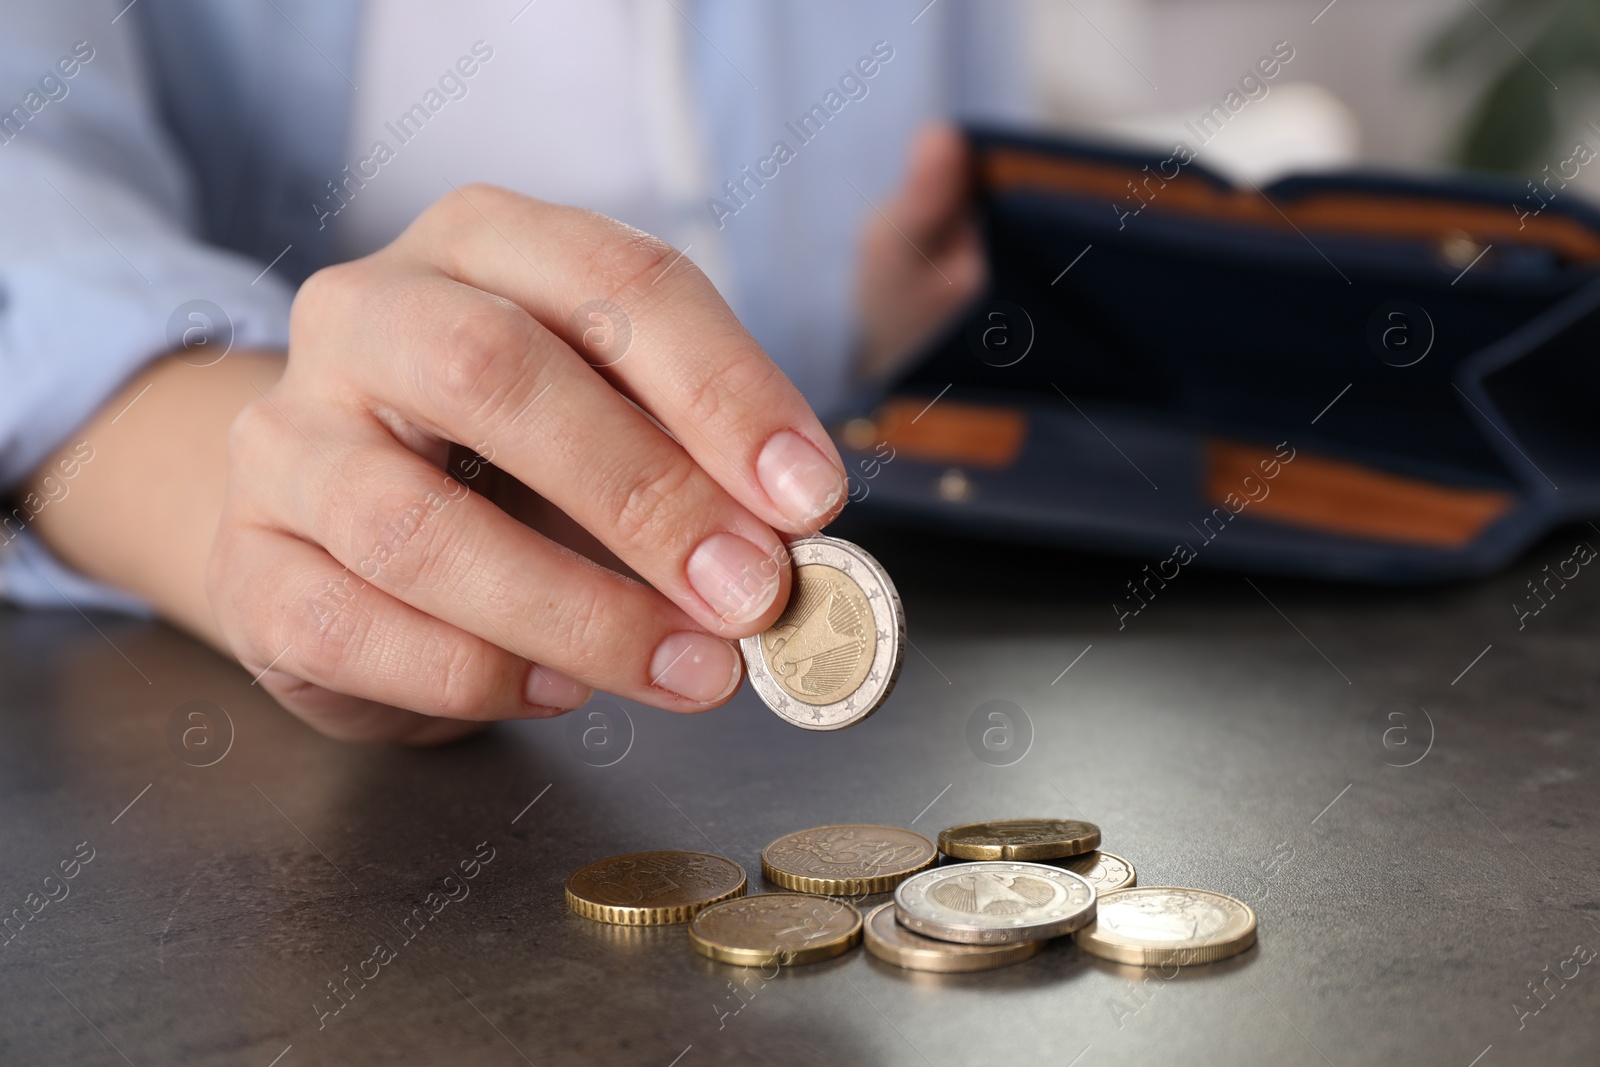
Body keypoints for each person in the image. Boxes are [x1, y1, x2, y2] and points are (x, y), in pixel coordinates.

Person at [0, 2, 1028, 741]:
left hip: (913, 590)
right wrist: (285, 511)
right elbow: (27, 203)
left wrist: (918, 340)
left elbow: (942, 199)